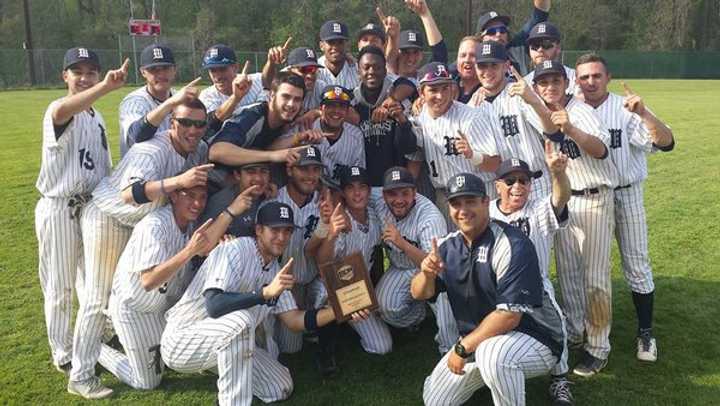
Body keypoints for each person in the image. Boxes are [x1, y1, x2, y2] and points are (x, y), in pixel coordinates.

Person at [67, 99, 211, 399]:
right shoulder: (153, 150)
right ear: (172, 122)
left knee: (128, 287)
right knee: (97, 296)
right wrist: (178, 181)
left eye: (200, 124)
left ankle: (117, 336)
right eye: (186, 122)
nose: (193, 129)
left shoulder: (198, 148)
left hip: (141, 219)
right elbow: (128, 195)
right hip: (109, 214)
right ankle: (80, 374)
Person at [160, 201, 344, 406]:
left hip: (223, 340)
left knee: (280, 387)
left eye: (287, 230)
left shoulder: (275, 269)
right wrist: (263, 294)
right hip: (183, 340)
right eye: (275, 230)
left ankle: (225, 365)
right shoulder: (234, 250)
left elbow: (295, 321)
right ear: (258, 230)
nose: (282, 237)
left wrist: (339, 309)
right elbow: (214, 305)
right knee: (241, 321)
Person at [412, 173, 565, 406]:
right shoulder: (448, 246)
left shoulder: (512, 243)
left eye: (470, 201)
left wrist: (462, 348)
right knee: (435, 400)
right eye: (455, 203)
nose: (463, 210)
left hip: (536, 335)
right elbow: (419, 293)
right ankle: (489, 377)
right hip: (481, 339)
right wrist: (426, 273)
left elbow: (509, 317)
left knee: (493, 356)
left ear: (485, 202)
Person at [97, 182, 255, 390]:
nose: (197, 203)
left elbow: (204, 246)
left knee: (174, 355)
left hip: (161, 308)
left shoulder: (190, 223)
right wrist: (188, 251)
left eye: (202, 197)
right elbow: (148, 281)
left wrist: (224, 232)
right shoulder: (154, 226)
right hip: (134, 308)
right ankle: (96, 348)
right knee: (147, 381)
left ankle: (128, 341)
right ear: (173, 196)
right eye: (190, 195)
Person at [575, 53, 675, 363]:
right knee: (590, 271)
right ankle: (590, 333)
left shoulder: (626, 106)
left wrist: (644, 113)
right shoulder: (571, 110)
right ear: (576, 81)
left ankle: (645, 332)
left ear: (607, 77)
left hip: (626, 194)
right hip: (591, 198)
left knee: (637, 265)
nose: (591, 81)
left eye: (596, 75)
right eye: (584, 77)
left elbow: (668, 142)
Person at [35, 48, 128, 377]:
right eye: (78, 71)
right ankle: (62, 352)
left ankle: (94, 340)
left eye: (91, 71)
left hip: (89, 208)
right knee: (59, 286)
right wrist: (104, 87)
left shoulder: (96, 117)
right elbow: (62, 110)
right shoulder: (59, 110)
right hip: (59, 207)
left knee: (92, 283)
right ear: (65, 76)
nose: (85, 77)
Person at [532, 60, 619, 377]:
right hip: (567, 200)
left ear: (566, 83)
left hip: (595, 199)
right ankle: (574, 333)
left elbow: (600, 150)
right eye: (544, 82)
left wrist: (570, 128)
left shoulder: (581, 111)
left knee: (595, 279)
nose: (550, 87)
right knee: (568, 275)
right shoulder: (547, 113)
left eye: (555, 80)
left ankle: (598, 346)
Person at [489, 153, 575, 405]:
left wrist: (558, 174)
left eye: (524, 181)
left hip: (534, 285)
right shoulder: (486, 211)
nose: (517, 186)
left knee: (555, 323)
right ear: (497, 186)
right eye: (510, 180)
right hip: (496, 288)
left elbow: (560, 198)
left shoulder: (538, 209)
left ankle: (560, 378)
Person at [373, 167, 458, 353]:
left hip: (432, 272)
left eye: (405, 193)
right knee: (385, 307)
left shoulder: (429, 217)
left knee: (443, 295)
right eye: (392, 194)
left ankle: (449, 346)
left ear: (415, 192)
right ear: (383, 193)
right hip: (401, 268)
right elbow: (353, 193)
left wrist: (403, 244)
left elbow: (436, 266)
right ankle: (421, 313)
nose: (399, 200)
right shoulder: (377, 198)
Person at [407, 61, 502, 222]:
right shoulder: (419, 118)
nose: (441, 95)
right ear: (421, 92)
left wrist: (473, 155)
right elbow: (414, 158)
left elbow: (495, 163)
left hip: (478, 193)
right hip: (445, 196)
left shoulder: (470, 117)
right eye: (433, 89)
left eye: (445, 87)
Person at [316, 166, 393, 355]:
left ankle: (347, 324)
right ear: (343, 192)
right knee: (324, 300)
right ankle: (327, 340)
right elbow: (322, 264)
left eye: (362, 187)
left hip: (357, 287)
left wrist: (374, 294)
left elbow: (376, 258)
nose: (357, 193)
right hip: (330, 286)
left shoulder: (375, 218)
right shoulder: (341, 220)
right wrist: (332, 233)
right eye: (350, 188)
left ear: (369, 190)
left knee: (382, 347)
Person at [471, 40, 558, 200]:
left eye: (494, 65)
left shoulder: (521, 94)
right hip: (500, 190)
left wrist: (533, 100)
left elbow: (554, 133)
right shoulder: (472, 106)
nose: (488, 71)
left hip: (536, 184)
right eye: (482, 66)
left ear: (506, 66)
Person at [208, 72, 311, 191]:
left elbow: (266, 148)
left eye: (297, 99)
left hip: (238, 178)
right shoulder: (252, 116)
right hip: (209, 178)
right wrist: (273, 156)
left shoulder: (285, 120)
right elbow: (216, 151)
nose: (291, 104)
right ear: (272, 95)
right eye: (286, 97)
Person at [271, 146, 325, 354]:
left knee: (329, 291)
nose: (310, 176)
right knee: (290, 348)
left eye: (315, 169)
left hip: (311, 280)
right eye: (304, 169)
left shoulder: (324, 202)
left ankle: (324, 333)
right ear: (290, 170)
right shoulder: (273, 199)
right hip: (282, 285)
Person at [118, 44, 202, 157]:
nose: (161, 74)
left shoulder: (181, 97)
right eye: (154, 69)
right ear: (143, 72)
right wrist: (170, 103)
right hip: (141, 171)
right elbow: (136, 136)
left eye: (166, 68)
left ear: (174, 70)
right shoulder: (134, 101)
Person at [352, 45, 417, 190]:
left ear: (385, 70)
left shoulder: (399, 100)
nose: (371, 72)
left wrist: (401, 120)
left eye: (377, 67)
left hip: (394, 186)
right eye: (366, 67)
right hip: (363, 188)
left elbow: (409, 147)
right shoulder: (352, 102)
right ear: (358, 70)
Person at [197, 162, 275, 238]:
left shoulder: (270, 196)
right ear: (237, 175)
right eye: (251, 172)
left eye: (264, 171)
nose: (258, 178)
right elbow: (202, 241)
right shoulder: (221, 202)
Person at [199, 44, 265, 133]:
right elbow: (213, 123)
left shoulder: (257, 81)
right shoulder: (207, 95)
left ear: (236, 67)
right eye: (212, 70)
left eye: (222, 69)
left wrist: (272, 62)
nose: (218, 76)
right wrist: (236, 97)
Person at [475, 0, 551, 76]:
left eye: (502, 30)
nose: (498, 34)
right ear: (481, 38)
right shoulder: (475, 60)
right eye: (491, 32)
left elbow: (540, 13)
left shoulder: (516, 47)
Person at [523, 22, 577, 95]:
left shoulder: (575, 78)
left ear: (558, 48)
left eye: (546, 44)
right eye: (535, 45)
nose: (540, 50)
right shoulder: (524, 84)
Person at [317, 20, 360, 90]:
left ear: (347, 45)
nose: (335, 47)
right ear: (321, 46)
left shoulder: (358, 70)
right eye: (331, 42)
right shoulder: (313, 70)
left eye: (340, 42)